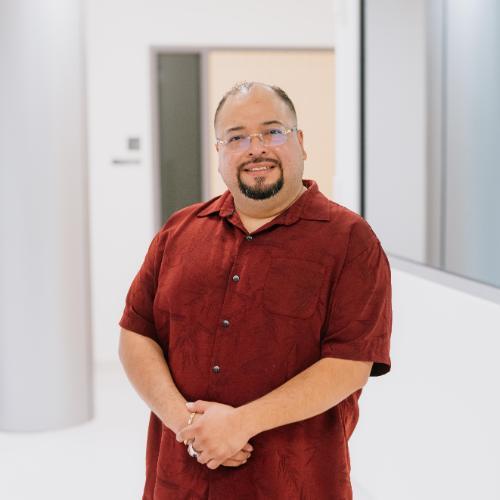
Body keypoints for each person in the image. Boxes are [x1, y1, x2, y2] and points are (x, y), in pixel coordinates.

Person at [118, 81, 392, 500]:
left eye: (273, 131)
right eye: (236, 137)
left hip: (293, 484)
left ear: (301, 142)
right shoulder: (178, 232)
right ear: (219, 152)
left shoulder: (350, 241)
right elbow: (136, 335)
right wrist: (187, 425)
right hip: (180, 481)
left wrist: (239, 425)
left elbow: (350, 364)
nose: (256, 148)